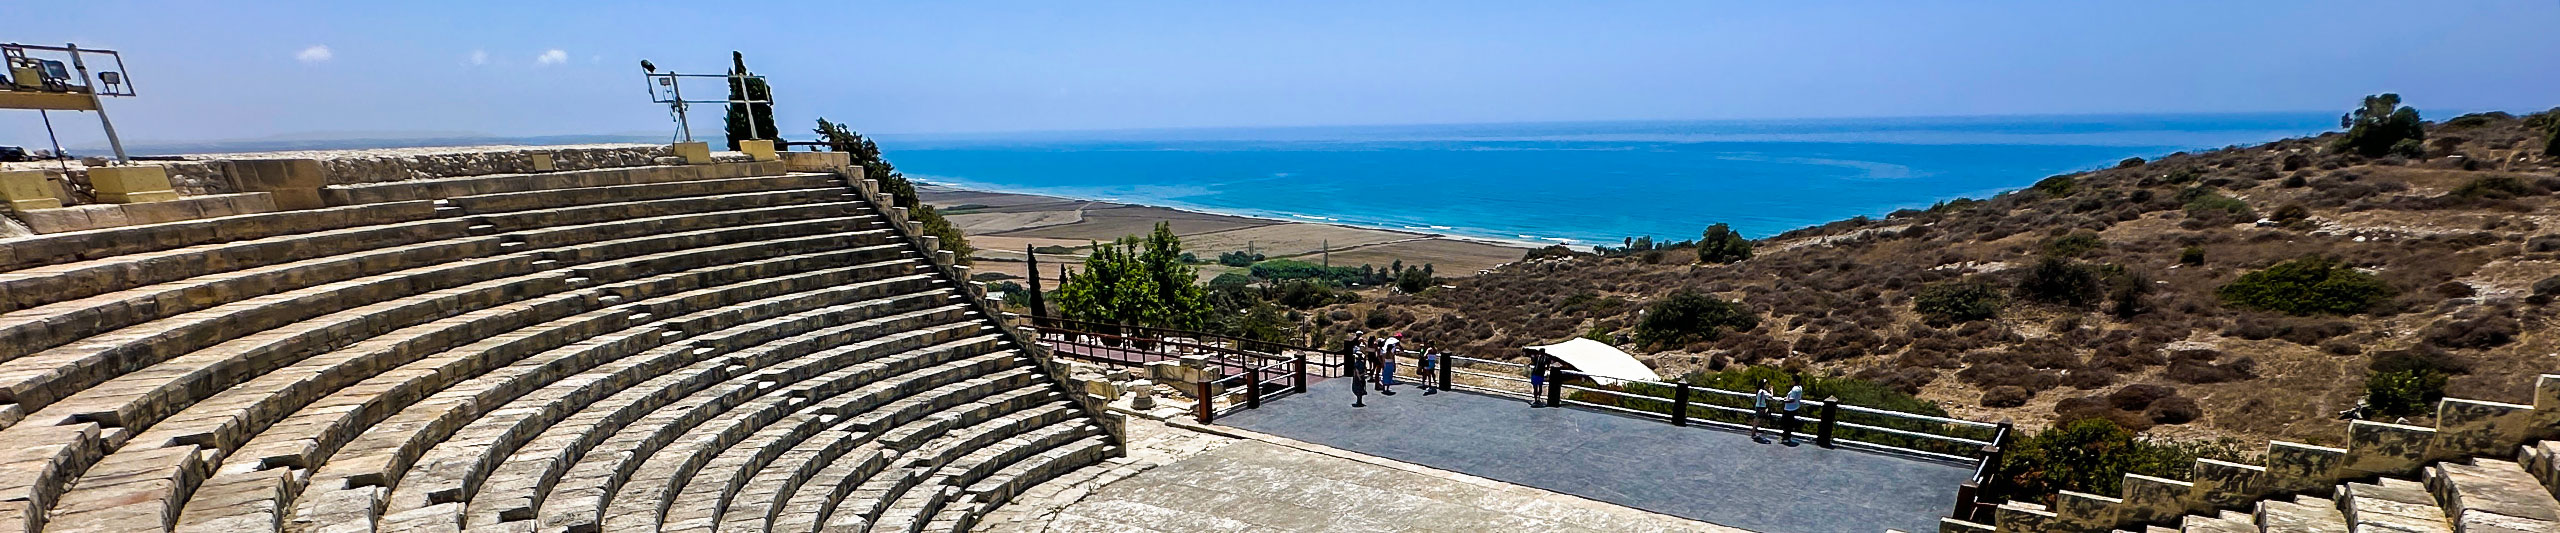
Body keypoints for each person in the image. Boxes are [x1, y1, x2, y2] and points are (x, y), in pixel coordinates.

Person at [1781, 378, 1806, 446]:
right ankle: (1787, 437)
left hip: (1789, 408)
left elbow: (1792, 399)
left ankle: (1786, 438)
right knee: (1790, 423)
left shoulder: (1794, 389)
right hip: (1794, 407)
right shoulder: (1799, 388)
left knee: (1786, 423)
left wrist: (1784, 400)